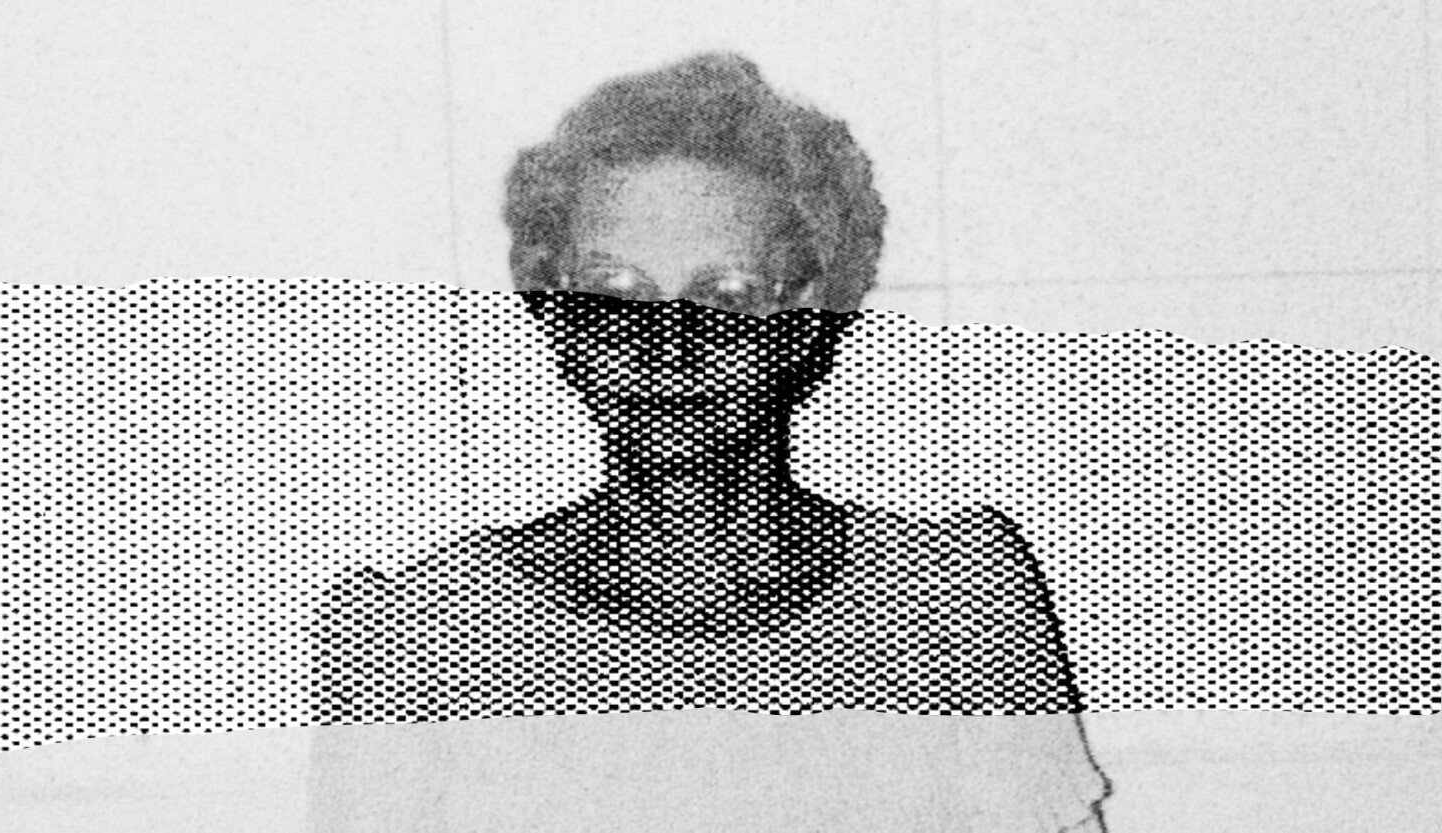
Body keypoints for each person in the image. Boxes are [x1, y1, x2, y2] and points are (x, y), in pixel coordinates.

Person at [309, 52, 1111, 831]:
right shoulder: (412, 635)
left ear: (804, 315)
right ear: (555, 310)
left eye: (724, 297)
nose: (667, 348)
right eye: (616, 296)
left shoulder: (955, 602)